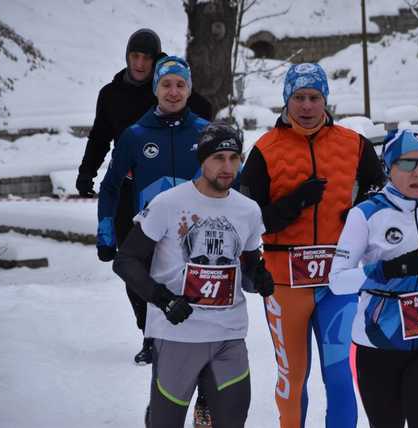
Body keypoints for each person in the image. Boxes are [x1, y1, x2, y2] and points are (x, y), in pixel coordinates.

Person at [239, 62, 385, 428]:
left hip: (338, 282)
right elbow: (246, 216)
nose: (306, 106)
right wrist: (294, 203)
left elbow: (377, 190)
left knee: (339, 378)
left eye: (314, 98)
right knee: (293, 381)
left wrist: (358, 212)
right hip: (285, 284)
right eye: (299, 98)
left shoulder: (353, 144)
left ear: (325, 100)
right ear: (287, 100)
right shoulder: (266, 149)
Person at [112, 123, 274, 428]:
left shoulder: (248, 210)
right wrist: (163, 299)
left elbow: (250, 267)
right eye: (218, 158)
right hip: (178, 336)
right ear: (202, 160)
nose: (227, 167)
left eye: (234, 158)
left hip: (229, 335)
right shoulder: (168, 203)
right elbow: (126, 260)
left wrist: (258, 278)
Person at [76, 28, 213, 365]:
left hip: (181, 197)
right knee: (134, 263)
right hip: (132, 192)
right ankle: (149, 331)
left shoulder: (173, 87)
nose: (139, 63)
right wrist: (87, 172)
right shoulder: (111, 95)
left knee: (179, 262)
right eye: (134, 56)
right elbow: (99, 136)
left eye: (146, 58)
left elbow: (201, 114)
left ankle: (187, 329)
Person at [95, 54, 215, 427]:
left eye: (180, 84)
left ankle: (206, 402)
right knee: (166, 326)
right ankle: (162, 409)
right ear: (155, 89)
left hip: (203, 246)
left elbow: (231, 186)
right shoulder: (135, 135)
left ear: (189, 88)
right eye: (166, 84)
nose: (174, 91)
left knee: (210, 325)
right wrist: (106, 229)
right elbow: (111, 185)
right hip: (157, 247)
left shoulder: (206, 132)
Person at [329, 129, 418, 428]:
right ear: (389, 169)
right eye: (406, 164)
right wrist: (387, 270)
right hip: (378, 343)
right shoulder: (366, 214)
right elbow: (337, 281)